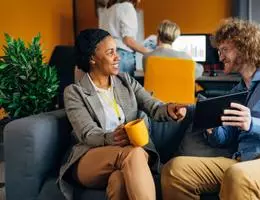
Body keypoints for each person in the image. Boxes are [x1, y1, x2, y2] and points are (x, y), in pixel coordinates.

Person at [161, 18, 260, 200]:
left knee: (238, 176)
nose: (220, 57)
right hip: (244, 161)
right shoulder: (237, 92)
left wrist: (253, 124)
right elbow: (225, 138)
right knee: (175, 170)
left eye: (225, 50)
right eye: (219, 51)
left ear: (245, 48)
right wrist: (211, 126)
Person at [58, 28, 187, 200]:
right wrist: (112, 138)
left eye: (116, 51)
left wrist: (170, 108)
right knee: (132, 153)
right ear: (92, 58)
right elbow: (87, 133)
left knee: (119, 181)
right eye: (110, 52)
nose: (117, 57)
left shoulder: (126, 82)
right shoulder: (75, 92)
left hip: (131, 158)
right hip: (90, 158)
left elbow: (153, 106)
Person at [99, 0, 151, 76]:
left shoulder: (107, 10)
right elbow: (128, 40)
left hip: (107, 55)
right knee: (124, 87)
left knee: (113, 86)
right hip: (122, 56)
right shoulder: (127, 7)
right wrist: (150, 52)